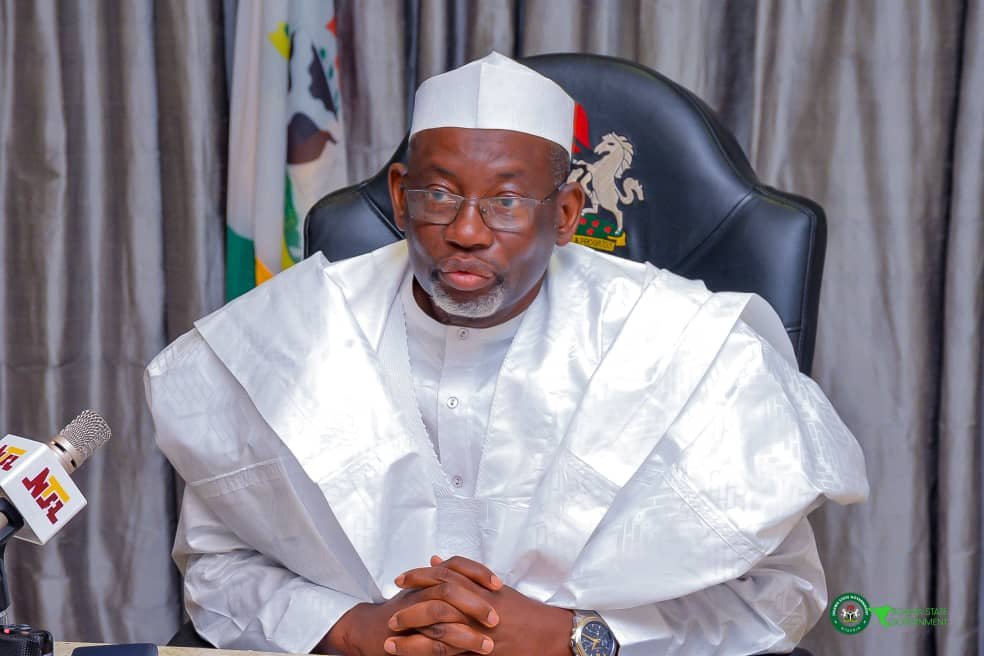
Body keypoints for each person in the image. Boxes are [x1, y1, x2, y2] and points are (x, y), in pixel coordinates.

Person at [145, 53, 868, 656]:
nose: (467, 230)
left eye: (507, 202)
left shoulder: (682, 344)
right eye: (438, 195)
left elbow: (780, 595)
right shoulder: (290, 334)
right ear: (399, 197)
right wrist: (350, 629)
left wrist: (574, 637)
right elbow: (216, 562)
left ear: (567, 213)